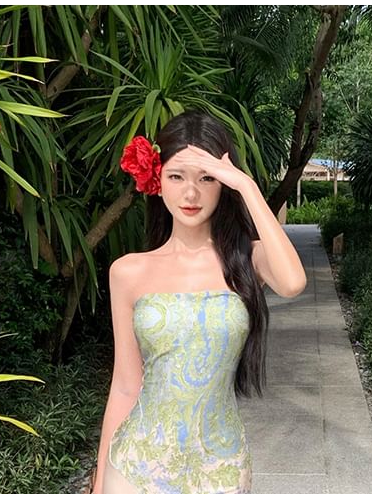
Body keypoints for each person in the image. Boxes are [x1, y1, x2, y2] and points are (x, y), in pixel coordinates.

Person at [90, 110, 306, 494]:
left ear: (223, 184)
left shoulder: (247, 260)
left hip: (220, 467)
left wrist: (246, 186)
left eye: (206, 178)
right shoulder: (128, 272)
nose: (191, 194)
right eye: (177, 177)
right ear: (158, 182)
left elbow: (292, 282)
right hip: (136, 465)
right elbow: (124, 385)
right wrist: (98, 485)